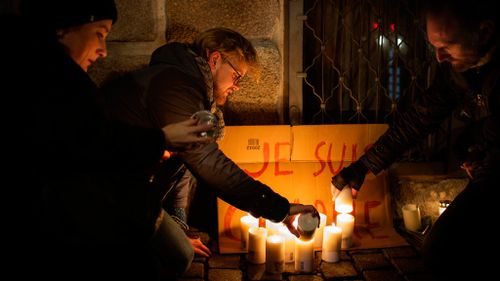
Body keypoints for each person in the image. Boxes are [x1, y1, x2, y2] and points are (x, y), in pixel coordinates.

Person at [1, 0, 214, 279]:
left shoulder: (53, 77)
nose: (104, 51)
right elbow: (91, 146)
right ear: (64, 28)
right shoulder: (51, 85)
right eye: (99, 33)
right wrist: (160, 139)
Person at [98, 27, 320, 272]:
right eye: (237, 76)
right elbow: (207, 161)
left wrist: (178, 225)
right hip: (101, 195)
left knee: (177, 253)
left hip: (131, 192)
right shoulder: (176, 86)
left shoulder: (191, 92)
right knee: (166, 259)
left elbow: (184, 166)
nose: (236, 86)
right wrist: (281, 209)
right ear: (215, 60)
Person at [330, 0, 499, 279]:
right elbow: (419, 117)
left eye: (446, 45)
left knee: (445, 249)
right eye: (433, 45)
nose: (438, 58)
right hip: (487, 170)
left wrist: (476, 142)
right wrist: (363, 166)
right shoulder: (462, 70)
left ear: (484, 32)